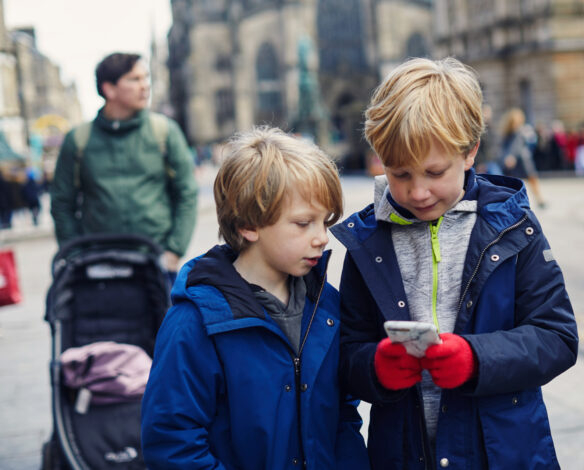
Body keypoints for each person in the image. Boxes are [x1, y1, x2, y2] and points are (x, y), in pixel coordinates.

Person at [332, 57, 578, 469]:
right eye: (400, 174)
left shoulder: (514, 226)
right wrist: (374, 368)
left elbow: (557, 337)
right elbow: (347, 350)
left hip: (500, 453)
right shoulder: (367, 239)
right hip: (405, 454)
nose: (418, 191)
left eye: (433, 171)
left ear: (470, 152)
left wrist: (476, 358)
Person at [141, 126, 369, 469]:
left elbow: (343, 416)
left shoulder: (325, 307)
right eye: (304, 223)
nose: (322, 238)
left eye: (325, 222)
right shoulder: (195, 323)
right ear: (250, 225)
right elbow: (172, 442)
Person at [50, 52, 198, 281]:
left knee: (166, 318)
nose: (145, 86)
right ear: (109, 89)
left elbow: (187, 192)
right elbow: (62, 202)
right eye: (134, 79)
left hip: (156, 263)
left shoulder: (165, 132)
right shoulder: (78, 140)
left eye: (145, 77)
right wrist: (76, 253)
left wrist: (174, 250)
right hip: (97, 266)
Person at [499, 108, 547, 208]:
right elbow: (507, 147)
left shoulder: (521, 131)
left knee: (532, 179)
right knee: (514, 182)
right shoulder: (508, 133)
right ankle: (515, 201)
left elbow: (518, 145)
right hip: (515, 161)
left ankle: (539, 199)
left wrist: (511, 156)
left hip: (524, 160)